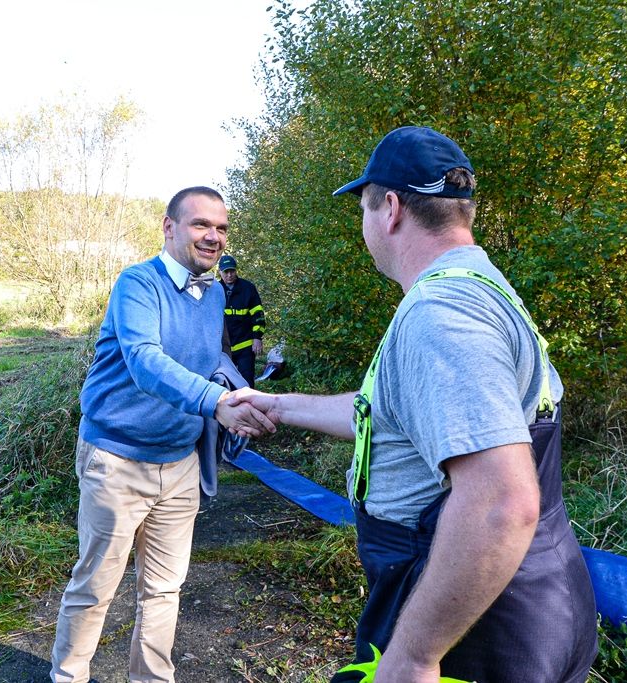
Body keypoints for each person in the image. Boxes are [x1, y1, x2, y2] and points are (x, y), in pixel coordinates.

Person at [229, 127, 598, 682]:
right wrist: (278, 405)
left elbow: (501, 502)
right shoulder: (482, 286)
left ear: (391, 208)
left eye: (363, 207)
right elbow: (393, 415)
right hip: (527, 595)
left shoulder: (440, 314)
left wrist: (414, 657)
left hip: (479, 628)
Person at [50, 186, 275, 683]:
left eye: (221, 228)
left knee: (164, 590)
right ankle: (68, 677)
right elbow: (145, 360)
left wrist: (240, 398)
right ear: (169, 227)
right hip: (117, 460)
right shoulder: (137, 283)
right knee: (94, 589)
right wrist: (215, 403)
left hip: (179, 463)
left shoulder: (214, 294)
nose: (213, 236)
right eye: (201, 224)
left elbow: (208, 362)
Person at [217, 254, 266, 387]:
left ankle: (249, 401)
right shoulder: (215, 290)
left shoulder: (248, 288)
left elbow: (258, 314)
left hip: (245, 344)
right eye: (226, 272)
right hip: (223, 347)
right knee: (226, 382)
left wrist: (257, 337)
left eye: (232, 271)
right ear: (220, 272)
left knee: (247, 381)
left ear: (236, 270)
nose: (229, 275)